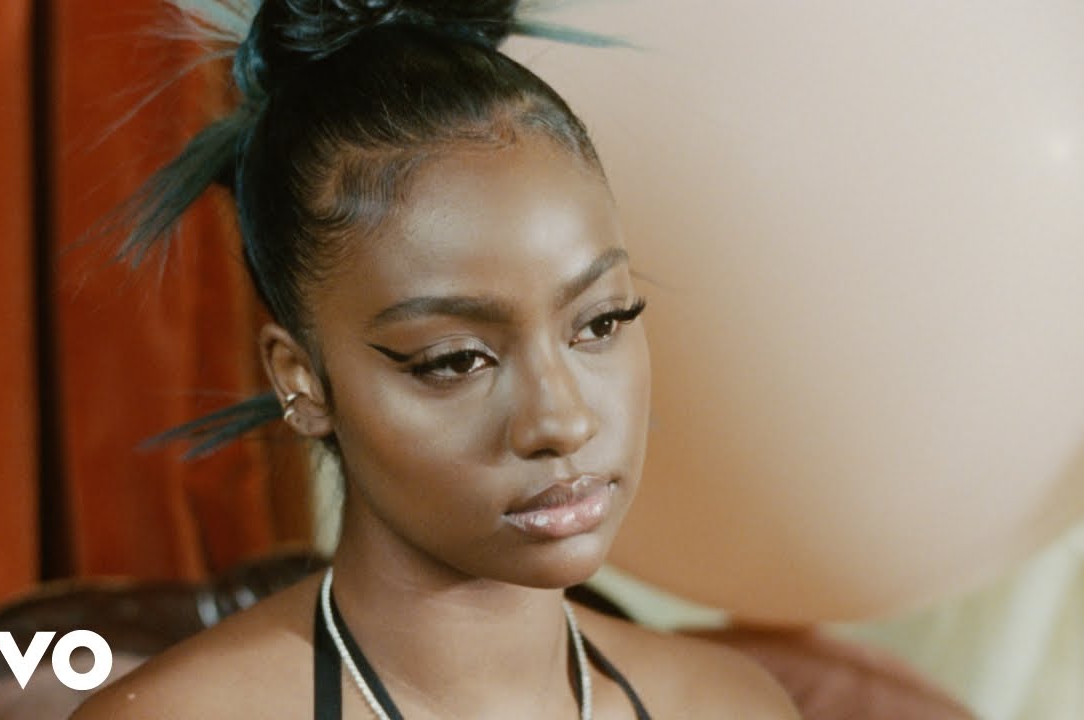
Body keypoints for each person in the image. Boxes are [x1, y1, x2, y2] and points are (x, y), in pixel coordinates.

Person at [75, 1, 798, 717]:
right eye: (456, 361)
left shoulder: (733, 707)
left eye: (600, 323)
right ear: (302, 381)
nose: (562, 421)